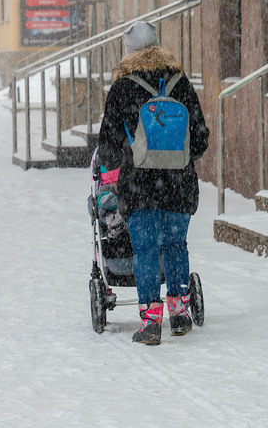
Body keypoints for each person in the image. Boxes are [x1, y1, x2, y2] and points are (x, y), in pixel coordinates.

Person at [96, 20, 209, 345]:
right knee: (175, 246)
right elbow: (200, 139)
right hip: (179, 183)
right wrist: (174, 153)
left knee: (145, 250)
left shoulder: (122, 87)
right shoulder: (180, 83)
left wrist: (126, 156)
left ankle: (150, 322)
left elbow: (109, 147)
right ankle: (179, 313)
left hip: (140, 185)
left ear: (129, 52)